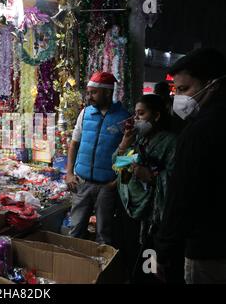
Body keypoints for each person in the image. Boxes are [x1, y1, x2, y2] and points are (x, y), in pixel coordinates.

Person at [155, 48, 226, 284]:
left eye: (184, 89)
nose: (179, 99)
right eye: (176, 91)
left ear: (212, 84)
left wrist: (163, 251)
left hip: (208, 249)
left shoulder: (199, 131)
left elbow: (181, 195)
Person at [113, 94, 177, 283]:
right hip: (129, 208)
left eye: (141, 114)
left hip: (152, 217)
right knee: (131, 255)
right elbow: (116, 164)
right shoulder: (137, 141)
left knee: (148, 265)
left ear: (156, 116)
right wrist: (124, 143)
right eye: (135, 114)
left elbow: (176, 181)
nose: (136, 119)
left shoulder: (171, 142)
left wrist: (150, 177)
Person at [66, 72, 130, 245]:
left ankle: (102, 269)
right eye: (89, 92)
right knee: (76, 229)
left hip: (106, 186)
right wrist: (69, 172)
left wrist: (117, 181)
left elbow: (130, 152)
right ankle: (71, 266)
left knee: (104, 233)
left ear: (108, 93)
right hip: (82, 182)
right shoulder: (85, 113)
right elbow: (74, 144)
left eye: (94, 92)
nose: (89, 96)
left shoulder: (124, 117)